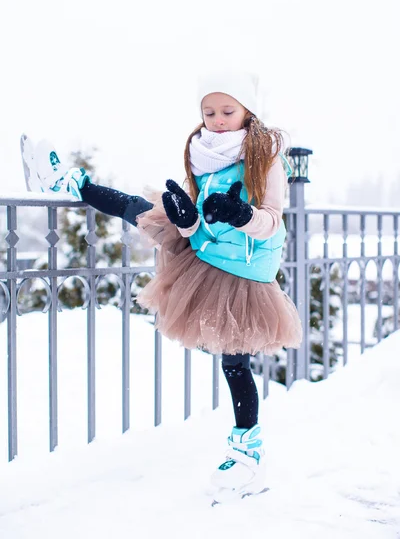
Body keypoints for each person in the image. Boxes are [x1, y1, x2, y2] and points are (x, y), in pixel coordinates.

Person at [43, 70, 302, 500]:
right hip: (203, 249)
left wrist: (241, 216)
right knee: (139, 209)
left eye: (227, 111)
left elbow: (272, 221)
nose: (217, 119)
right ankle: (74, 183)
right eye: (208, 112)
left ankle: (246, 456)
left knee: (234, 363)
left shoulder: (267, 156)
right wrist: (187, 219)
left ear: (247, 110)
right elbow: (194, 217)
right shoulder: (200, 154)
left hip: (242, 269)